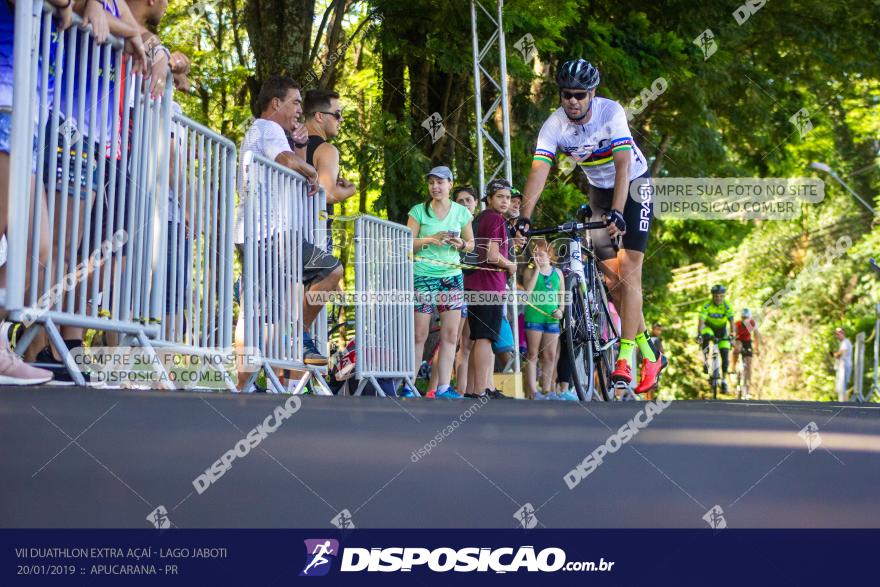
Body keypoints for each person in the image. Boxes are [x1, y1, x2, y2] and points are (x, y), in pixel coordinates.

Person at [518, 58, 665, 395]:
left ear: (592, 94)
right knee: (613, 282)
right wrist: (525, 216)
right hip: (599, 191)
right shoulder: (554, 125)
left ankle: (626, 359)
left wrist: (618, 212)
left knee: (630, 270)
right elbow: (539, 170)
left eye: (580, 95)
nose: (573, 100)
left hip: (633, 186)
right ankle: (649, 351)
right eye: (567, 94)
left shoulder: (609, 112)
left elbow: (623, 162)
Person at [233, 76, 342, 368]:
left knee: (259, 313)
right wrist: (312, 171)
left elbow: (287, 167)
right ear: (275, 103)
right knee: (331, 270)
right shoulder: (268, 127)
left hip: (254, 232)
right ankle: (299, 335)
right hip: (272, 233)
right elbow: (286, 161)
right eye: (295, 102)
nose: (299, 109)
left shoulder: (260, 132)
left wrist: (300, 147)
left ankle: (241, 387)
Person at [407, 166, 474, 398]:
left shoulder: (461, 212)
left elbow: (471, 243)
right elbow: (407, 243)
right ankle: (410, 386)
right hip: (423, 275)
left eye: (440, 182)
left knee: (450, 334)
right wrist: (431, 239)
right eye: (432, 182)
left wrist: (462, 245)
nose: (435, 186)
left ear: (450, 184)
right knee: (419, 334)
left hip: (451, 276)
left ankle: (444, 387)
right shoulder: (418, 211)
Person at [464, 178, 516, 399]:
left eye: (507, 197)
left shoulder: (481, 218)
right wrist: (511, 265)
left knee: (481, 338)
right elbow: (493, 256)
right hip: (488, 285)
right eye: (499, 197)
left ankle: (483, 387)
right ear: (489, 199)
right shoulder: (495, 219)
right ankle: (481, 389)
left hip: (474, 284)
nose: (505, 201)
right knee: (485, 338)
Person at [302, 89, 356, 249]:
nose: (341, 120)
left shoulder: (288, 145)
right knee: (330, 272)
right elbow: (328, 194)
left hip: (288, 231)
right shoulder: (326, 150)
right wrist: (351, 190)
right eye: (337, 114)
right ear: (319, 116)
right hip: (316, 232)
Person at [522, 238, 565, 400]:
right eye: (536, 255)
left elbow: (562, 295)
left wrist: (561, 310)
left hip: (552, 318)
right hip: (534, 317)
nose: (539, 257)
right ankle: (533, 390)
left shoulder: (558, 273)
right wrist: (537, 269)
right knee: (533, 353)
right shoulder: (529, 271)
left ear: (549, 254)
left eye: (542, 254)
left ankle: (547, 388)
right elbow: (528, 291)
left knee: (550, 355)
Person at [451, 185, 477, 390]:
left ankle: (463, 390)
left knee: (468, 344)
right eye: (460, 201)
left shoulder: (481, 225)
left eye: (469, 200)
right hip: (456, 286)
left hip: (476, 290)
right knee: (450, 341)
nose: (465, 204)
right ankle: (434, 388)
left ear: (476, 203)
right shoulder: (452, 224)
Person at [697, 284, 735, 393]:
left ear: (724, 296)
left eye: (721, 296)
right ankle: (706, 362)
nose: (718, 298)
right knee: (706, 336)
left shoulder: (727, 306)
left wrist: (732, 336)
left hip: (722, 330)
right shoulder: (706, 305)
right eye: (716, 296)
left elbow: (732, 322)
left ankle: (723, 381)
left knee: (725, 356)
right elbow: (701, 322)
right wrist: (699, 334)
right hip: (709, 328)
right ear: (712, 296)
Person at [732, 309, 760, 396]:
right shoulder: (738, 324)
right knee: (737, 349)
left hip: (747, 342)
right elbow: (733, 335)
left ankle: (747, 389)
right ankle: (733, 367)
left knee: (749, 364)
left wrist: (757, 348)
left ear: (749, 318)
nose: (745, 320)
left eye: (746, 318)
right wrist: (733, 343)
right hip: (739, 340)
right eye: (743, 318)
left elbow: (756, 335)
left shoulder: (751, 324)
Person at [832, 327, 852, 402]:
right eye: (836, 334)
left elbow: (841, 353)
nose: (836, 336)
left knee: (842, 387)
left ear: (842, 333)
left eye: (838, 334)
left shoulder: (845, 342)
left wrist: (835, 354)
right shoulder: (843, 343)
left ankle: (843, 405)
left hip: (844, 367)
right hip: (842, 367)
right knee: (841, 388)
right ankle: (843, 405)